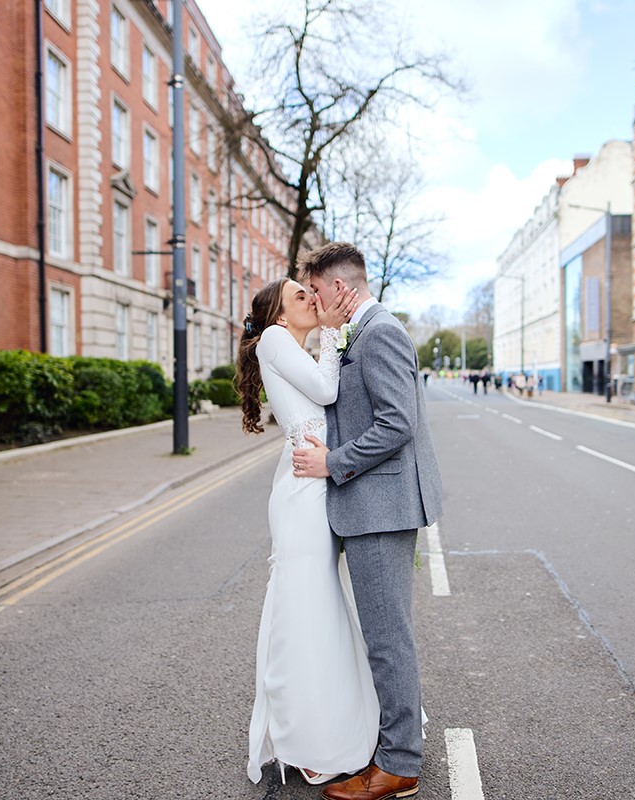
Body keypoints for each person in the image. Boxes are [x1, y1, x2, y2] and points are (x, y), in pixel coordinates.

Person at [293, 242, 443, 800]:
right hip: (371, 506)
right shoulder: (358, 331)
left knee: (388, 640)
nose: (312, 299)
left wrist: (332, 463)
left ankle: (400, 764)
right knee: (382, 636)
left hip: (380, 507)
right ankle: (389, 747)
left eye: (315, 290)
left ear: (338, 288)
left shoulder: (379, 331)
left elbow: (397, 422)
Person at [237, 278, 377, 787]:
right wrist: (335, 337)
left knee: (323, 605)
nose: (310, 300)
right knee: (305, 608)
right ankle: (304, 739)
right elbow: (326, 390)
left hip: (313, 484)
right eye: (300, 296)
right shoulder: (276, 341)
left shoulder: (288, 346)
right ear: (278, 315)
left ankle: (326, 727)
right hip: (302, 496)